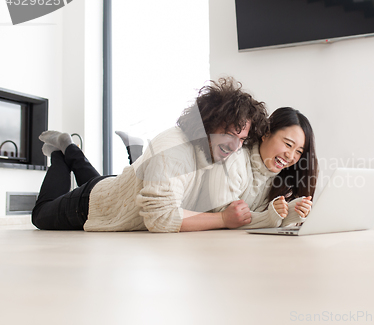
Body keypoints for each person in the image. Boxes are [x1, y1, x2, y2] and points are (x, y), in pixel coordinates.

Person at [31, 77, 269, 233]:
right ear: (209, 122)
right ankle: (62, 152)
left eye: (242, 139)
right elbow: (161, 218)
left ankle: (72, 149)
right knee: (41, 215)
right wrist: (223, 220)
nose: (236, 147)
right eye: (230, 134)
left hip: (117, 189)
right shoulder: (172, 151)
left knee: (102, 186)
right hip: (91, 204)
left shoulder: (213, 151)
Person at [199, 107, 318, 229]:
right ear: (266, 133)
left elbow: (262, 223)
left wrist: (288, 216)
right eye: (288, 144)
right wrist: (269, 217)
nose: (290, 156)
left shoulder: (282, 181)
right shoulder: (234, 159)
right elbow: (228, 219)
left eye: (299, 151)